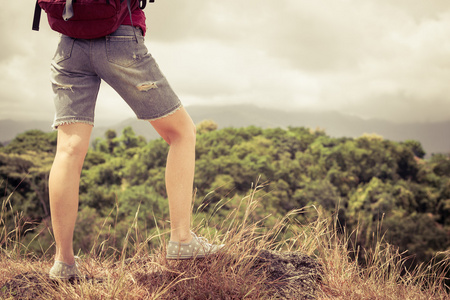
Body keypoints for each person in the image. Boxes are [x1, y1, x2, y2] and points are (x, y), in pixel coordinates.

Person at [47, 2, 223, 280]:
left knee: (68, 150)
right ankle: (182, 240)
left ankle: (63, 262)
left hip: (69, 45)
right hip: (119, 39)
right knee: (182, 133)